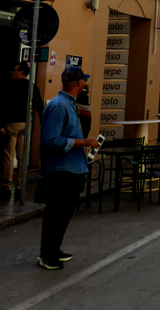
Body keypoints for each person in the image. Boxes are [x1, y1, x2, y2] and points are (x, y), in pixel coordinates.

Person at [34, 66, 99, 270]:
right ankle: (47, 254)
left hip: (72, 168)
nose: (85, 85)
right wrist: (83, 143)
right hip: (60, 170)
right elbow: (51, 140)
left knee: (64, 213)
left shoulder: (70, 103)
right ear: (79, 83)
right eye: (84, 82)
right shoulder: (60, 105)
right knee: (56, 213)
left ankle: (54, 248)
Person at [0, 62, 44, 193]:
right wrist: (42, 121)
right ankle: (20, 184)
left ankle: (7, 185)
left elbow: (4, 106)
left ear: (21, 72)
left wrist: (1, 124)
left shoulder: (10, 86)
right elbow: (39, 106)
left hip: (12, 124)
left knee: (8, 156)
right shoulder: (32, 87)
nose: (11, 72)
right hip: (25, 124)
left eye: (14, 70)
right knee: (22, 156)